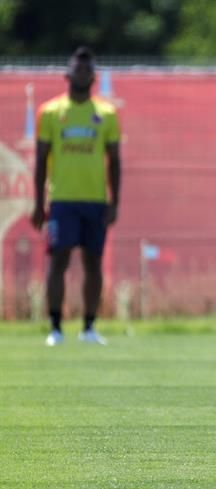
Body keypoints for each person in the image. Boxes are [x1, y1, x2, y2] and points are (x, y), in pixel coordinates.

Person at [32, 47, 121, 346]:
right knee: (58, 260)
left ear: (94, 77)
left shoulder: (106, 114)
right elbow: (41, 159)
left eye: (88, 70)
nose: (82, 74)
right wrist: (38, 203)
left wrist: (114, 202)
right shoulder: (50, 112)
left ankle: (89, 328)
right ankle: (56, 328)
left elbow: (115, 161)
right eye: (78, 69)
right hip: (62, 201)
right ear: (67, 74)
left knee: (93, 264)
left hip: (95, 201)